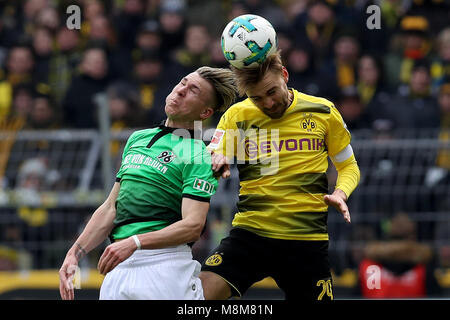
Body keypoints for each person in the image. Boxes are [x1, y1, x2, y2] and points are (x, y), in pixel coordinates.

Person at [58, 66, 237, 300]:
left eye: (193, 90)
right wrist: (74, 254)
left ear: (205, 112)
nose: (181, 90)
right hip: (118, 265)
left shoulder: (198, 154)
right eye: (183, 82)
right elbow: (111, 207)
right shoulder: (137, 138)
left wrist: (135, 242)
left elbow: (193, 225)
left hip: (164, 265)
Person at [200, 52, 360, 300]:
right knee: (197, 297)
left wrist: (340, 192)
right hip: (250, 234)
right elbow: (215, 152)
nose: (268, 103)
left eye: (272, 91)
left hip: (306, 241)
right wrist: (216, 158)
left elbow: (349, 166)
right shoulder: (237, 115)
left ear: (284, 75)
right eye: (257, 98)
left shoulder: (323, 111)